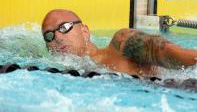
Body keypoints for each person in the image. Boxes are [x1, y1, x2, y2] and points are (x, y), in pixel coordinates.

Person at [41, 9, 197, 77]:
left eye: (64, 27)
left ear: (85, 31)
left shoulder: (120, 43)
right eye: (49, 35)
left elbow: (164, 52)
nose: (58, 37)